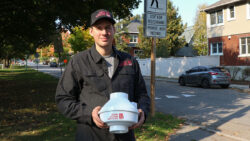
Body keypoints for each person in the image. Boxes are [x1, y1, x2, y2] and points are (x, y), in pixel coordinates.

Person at [55, 9, 150, 141]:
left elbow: (142, 95)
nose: (104, 32)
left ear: (114, 30)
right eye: (99, 28)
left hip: (125, 137)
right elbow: (63, 99)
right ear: (91, 31)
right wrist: (89, 114)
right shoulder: (78, 62)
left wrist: (143, 112)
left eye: (108, 27)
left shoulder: (129, 61)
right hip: (90, 135)